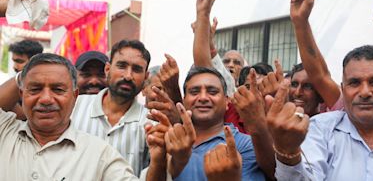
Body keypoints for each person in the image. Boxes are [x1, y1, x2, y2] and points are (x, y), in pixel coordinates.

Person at [0, 53, 159, 180]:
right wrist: (32, 69)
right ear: (21, 94)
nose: (46, 99)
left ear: (75, 96)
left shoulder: (101, 155)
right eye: (35, 89)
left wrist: (159, 161)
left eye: (58, 89)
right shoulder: (5, 132)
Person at [268, 44, 373, 180]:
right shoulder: (319, 129)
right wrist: (288, 154)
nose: (365, 92)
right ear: (343, 89)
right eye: (354, 83)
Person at [155, 66, 265, 180]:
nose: (203, 98)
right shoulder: (169, 140)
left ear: (227, 102)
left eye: (212, 92)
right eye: (194, 92)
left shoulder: (246, 145)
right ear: (184, 101)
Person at [71, 40, 154, 177]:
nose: (128, 76)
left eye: (137, 69)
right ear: (108, 69)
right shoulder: (74, 106)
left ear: (145, 77)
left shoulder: (150, 123)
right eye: (122, 66)